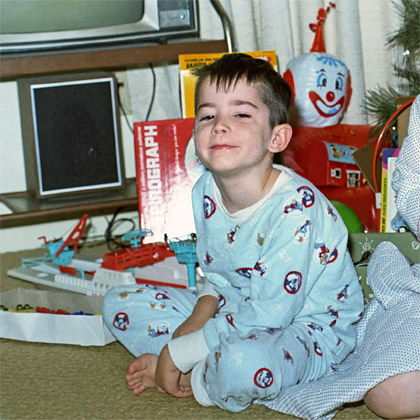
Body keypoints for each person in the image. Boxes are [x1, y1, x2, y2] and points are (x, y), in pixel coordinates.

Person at [102, 53, 364, 412]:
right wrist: (198, 316)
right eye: (208, 115)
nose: (220, 126)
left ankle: (195, 377)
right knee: (118, 303)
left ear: (277, 138)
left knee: (244, 365)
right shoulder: (205, 191)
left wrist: (180, 353)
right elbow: (218, 273)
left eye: (241, 114)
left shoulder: (296, 209)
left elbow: (269, 317)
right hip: (235, 307)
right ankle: (202, 358)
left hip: (305, 329)